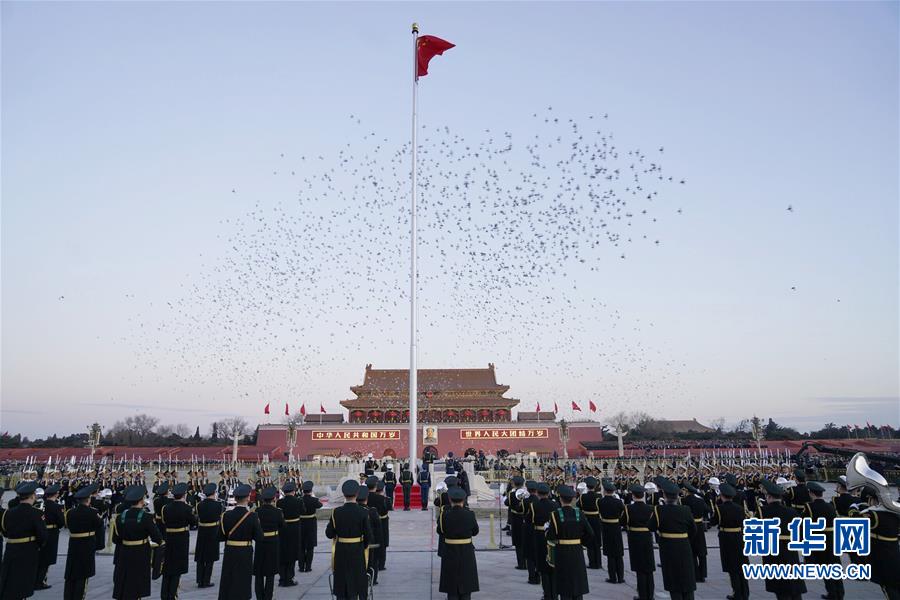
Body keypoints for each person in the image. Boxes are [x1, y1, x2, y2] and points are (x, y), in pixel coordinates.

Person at [112, 485, 164, 600]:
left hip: (124, 553)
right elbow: (157, 538)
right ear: (141, 500)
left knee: (125, 581)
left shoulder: (120, 517)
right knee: (137, 583)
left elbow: (115, 539)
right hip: (141, 553)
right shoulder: (146, 517)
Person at [849, 485, 900, 600]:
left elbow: (856, 520)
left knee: (889, 588)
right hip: (895, 552)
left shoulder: (874, 515)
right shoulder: (894, 512)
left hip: (883, 558)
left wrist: (853, 509)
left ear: (872, 499)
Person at [649, 478, 697, 600]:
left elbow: (651, 527)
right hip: (684, 545)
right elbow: (693, 530)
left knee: (673, 579)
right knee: (687, 579)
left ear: (664, 495)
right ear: (677, 496)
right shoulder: (686, 510)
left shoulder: (659, 510)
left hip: (668, 547)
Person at [759, 479, 806, 600]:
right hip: (790, 550)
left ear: (768, 497)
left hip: (773, 550)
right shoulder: (792, 511)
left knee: (780, 587)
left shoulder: (763, 511)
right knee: (794, 583)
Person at [0, 481, 48, 600]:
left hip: (11, 550)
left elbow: (5, 531)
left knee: (10, 580)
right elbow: (42, 535)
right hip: (28, 551)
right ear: (32, 496)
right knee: (23, 581)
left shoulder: (8, 513)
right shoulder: (37, 513)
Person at [325, 480, 372, 600]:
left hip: (341, 551)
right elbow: (368, 535)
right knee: (358, 580)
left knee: (342, 580)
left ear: (344, 494)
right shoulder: (363, 512)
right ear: (357, 494)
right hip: (357, 550)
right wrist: (364, 545)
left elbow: (329, 533)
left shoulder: (336, 512)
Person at [218, 484, 264, 600]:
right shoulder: (252, 516)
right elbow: (259, 537)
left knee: (228, 577)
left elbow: (220, 537)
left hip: (229, 551)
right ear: (248, 498)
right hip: (245, 551)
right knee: (243, 579)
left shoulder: (225, 515)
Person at [547, 485, 592, 600]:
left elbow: (551, 536)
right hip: (577, 550)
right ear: (572, 499)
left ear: (560, 499)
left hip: (562, 551)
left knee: (564, 582)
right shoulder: (579, 514)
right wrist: (581, 541)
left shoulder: (555, 514)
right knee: (577, 581)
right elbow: (590, 533)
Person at [801, 481, 844, 600]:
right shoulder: (830, 506)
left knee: (825, 567)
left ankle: (832, 593)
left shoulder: (809, 507)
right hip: (832, 539)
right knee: (835, 565)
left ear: (811, 493)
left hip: (819, 538)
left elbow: (804, 524)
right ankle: (840, 592)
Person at [62, 484, 104, 600]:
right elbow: (99, 525)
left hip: (73, 544)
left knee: (71, 573)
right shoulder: (92, 513)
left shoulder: (70, 512)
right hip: (86, 544)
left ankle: (68, 596)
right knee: (83, 574)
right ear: (88, 500)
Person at [437, 486, 479, 600]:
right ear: (464, 500)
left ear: (450, 500)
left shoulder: (444, 514)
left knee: (451, 582)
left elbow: (440, 531)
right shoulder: (470, 514)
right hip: (466, 550)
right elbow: (475, 531)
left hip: (450, 549)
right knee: (466, 578)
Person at [710, 482, 749, 600]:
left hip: (726, 537)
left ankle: (737, 593)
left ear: (722, 496)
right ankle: (745, 593)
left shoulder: (719, 508)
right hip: (739, 536)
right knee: (741, 566)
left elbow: (713, 522)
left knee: (732, 567)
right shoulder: (740, 508)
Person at [160, 482, 197, 599]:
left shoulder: (166, 508)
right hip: (181, 539)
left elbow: (164, 521)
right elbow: (194, 522)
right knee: (177, 569)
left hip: (169, 537)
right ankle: (172, 595)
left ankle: (164, 594)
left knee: (167, 567)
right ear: (184, 495)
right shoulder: (187, 508)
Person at [621, 484, 655, 600]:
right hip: (647, 537)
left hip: (635, 538)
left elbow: (623, 522)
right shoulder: (651, 508)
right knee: (649, 567)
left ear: (633, 496)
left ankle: (642, 595)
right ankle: (650, 594)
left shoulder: (628, 508)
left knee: (640, 568)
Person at [254, 487, 285, 600]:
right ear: (273, 499)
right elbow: (282, 526)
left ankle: (259, 596)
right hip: (273, 542)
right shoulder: (277, 512)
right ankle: (268, 596)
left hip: (260, 542)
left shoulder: (257, 511)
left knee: (259, 572)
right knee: (270, 572)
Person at [530, 482, 557, 600]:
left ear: (537, 493)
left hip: (539, 535)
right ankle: (554, 593)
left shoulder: (534, 505)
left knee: (543, 565)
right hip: (551, 536)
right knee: (552, 564)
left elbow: (529, 520)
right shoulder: (555, 505)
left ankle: (547, 594)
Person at [35, 483, 64, 590]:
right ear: (56, 494)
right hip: (51, 532)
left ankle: (36, 579)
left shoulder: (40, 504)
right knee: (46, 559)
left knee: (40, 556)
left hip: (40, 531)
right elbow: (61, 522)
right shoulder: (56, 506)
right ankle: (40, 581)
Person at [681, 481, 710, 583]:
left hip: (690, 526)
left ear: (687, 491)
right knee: (701, 551)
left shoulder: (684, 501)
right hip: (700, 526)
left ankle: (695, 574)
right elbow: (708, 510)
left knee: (692, 551)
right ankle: (703, 575)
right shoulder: (700, 500)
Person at [195, 483, 223, 589]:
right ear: (214, 493)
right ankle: (206, 580)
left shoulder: (199, 505)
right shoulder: (218, 505)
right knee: (210, 558)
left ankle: (199, 580)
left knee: (201, 557)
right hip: (213, 531)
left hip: (202, 531)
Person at [598, 479, 625, 584]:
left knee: (610, 554)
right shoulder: (618, 502)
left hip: (606, 527)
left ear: (604, 491)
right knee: (618, 553)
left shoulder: (600, 501)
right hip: (616, 527)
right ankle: (621, 577)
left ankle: (612, 577)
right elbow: (623, 513)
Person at [276, 481, 302, 586]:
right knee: (292, 554)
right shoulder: (298, 501)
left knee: (283, 553)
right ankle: (290, 577)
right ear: (293, 491)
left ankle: (282, 578)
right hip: (294, 529)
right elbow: (303, 511)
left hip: (283, 529)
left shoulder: (279, 502)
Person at [355, 486, 381, 585]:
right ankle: (372, 580)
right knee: (372, 562)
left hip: (356, 543)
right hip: (370, 542)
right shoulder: (372, 511)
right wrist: (378, 544)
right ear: (367, 498)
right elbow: (378, 530)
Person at [576, 476, 602, 569]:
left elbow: (579, 507)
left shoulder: (583, 496)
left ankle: (592, 563)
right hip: (596, 518)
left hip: (587, 519)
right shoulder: (598, 496)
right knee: (597, 542)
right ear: (595, 486)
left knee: (590, 542)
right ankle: (598, 562)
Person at [503, 475, 526, 570]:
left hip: (516, 519)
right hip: (524, 518)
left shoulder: (512, 494)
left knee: (518, 541)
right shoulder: (526, 493)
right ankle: (527, 562)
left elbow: (506, 503)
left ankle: (521, 563)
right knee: (525, 541)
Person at [300, 480, 323, 573]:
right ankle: (308, 566)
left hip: (301, 523)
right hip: (311, 523)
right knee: (310, 546)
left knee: (301, 546)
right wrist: (314, 497)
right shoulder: (314, 500)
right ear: (311, 490)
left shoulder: (299, 500)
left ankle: (301, 566)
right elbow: (320, 505)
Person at [521, 480, 540, 585]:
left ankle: (532, 576)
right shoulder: (538, 501)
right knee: (537, 552)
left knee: (529, 553)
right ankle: (538, 575)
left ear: (527, 490)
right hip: (538, 529)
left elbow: (522, 512)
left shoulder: (525, 501)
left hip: (528, 528)